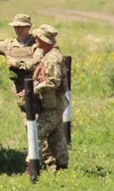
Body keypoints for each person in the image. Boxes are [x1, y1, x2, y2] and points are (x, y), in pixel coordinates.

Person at [29, 24, 69, 170]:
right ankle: (62, 166)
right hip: (55, 104)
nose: (36, 40)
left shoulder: (52, 58)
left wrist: (35, 89)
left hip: (52, 105)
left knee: (36, 135)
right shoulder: (50, 54)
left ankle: (33, 168)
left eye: (38, 37)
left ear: (43, 40)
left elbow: (54, 81)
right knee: (56, 137)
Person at [0, 14, 44, 98]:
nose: (19, 29)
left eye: (22, 27)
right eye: (16, 27)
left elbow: (38, 64)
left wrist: (15, 63)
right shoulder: (8, 44)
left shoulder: (37, 44)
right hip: (18, 85)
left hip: (35, 85)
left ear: (29, 27)